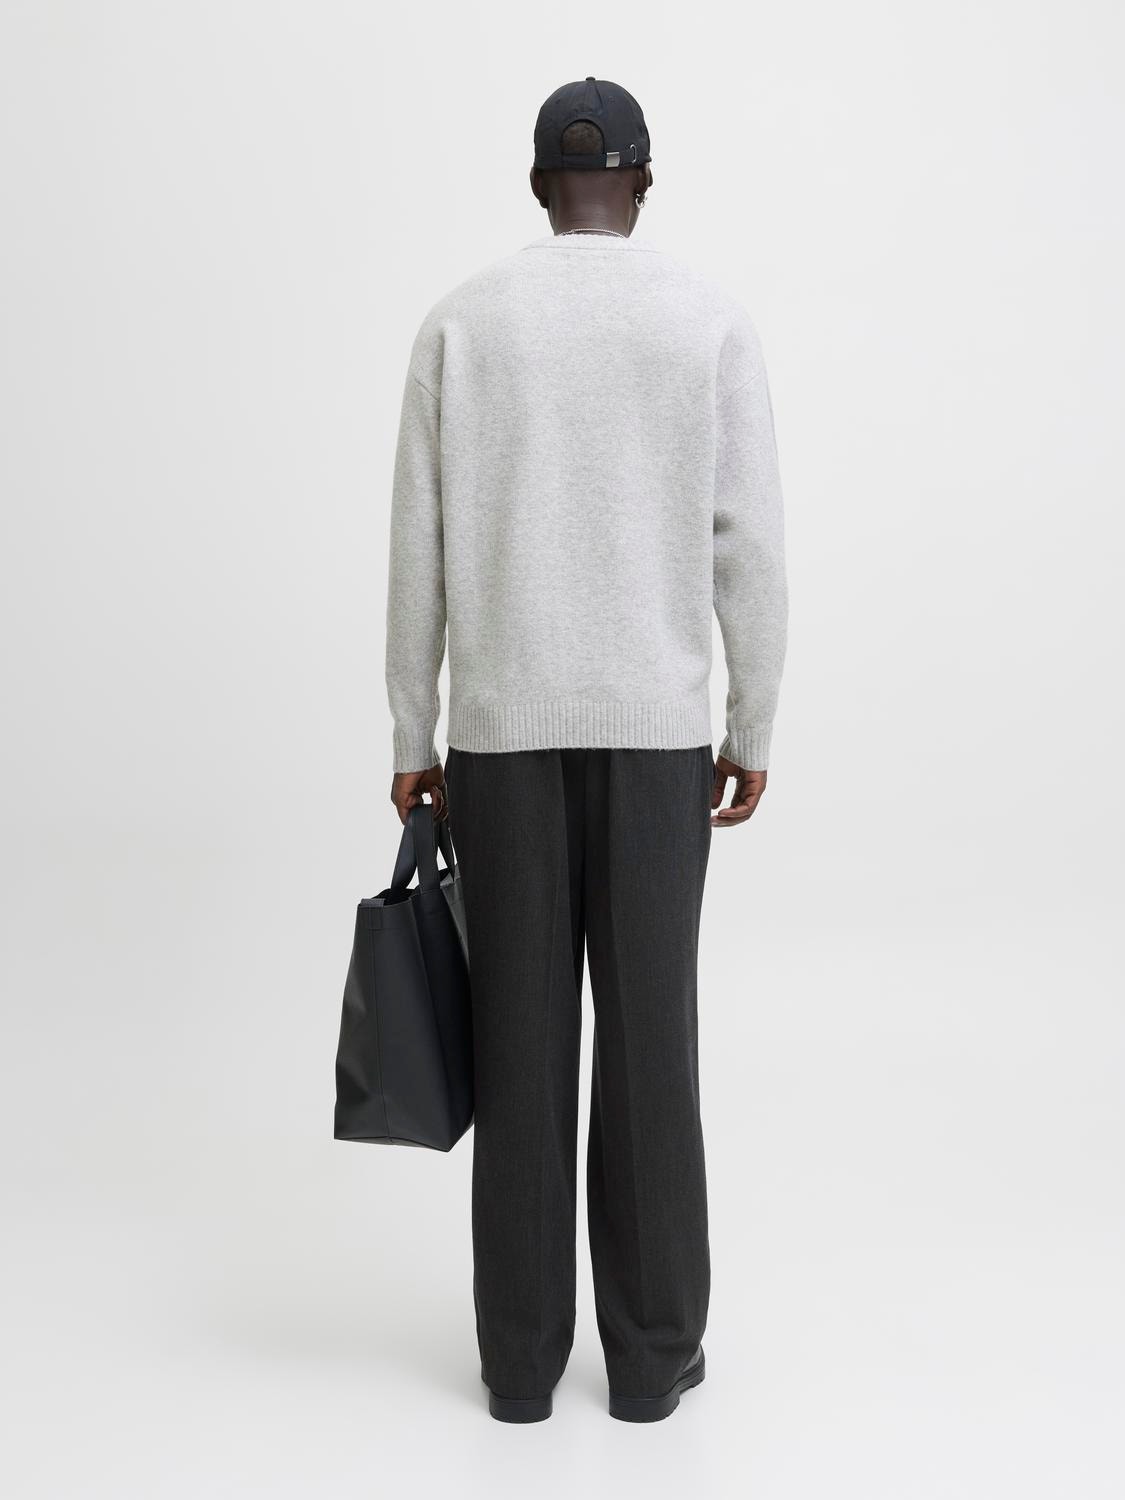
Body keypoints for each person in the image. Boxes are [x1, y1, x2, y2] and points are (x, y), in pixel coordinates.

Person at [383, 77, 788, 1423]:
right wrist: (751, 723)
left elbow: (419, 549)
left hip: (500, 742)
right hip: (659, 743)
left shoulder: (461, 323)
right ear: (644, 182)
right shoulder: (706, 321)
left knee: (518, 1047)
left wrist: (412, 728)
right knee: (652, 1047)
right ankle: (654, 1362)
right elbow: (749, 545)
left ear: (537, 188)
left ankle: (518, 1369)